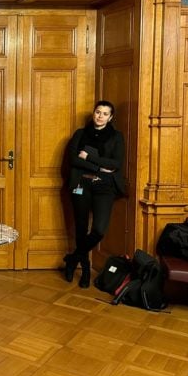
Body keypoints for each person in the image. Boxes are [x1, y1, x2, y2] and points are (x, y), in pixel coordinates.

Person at [63, 100, 126, 288]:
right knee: (81, 228)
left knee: (99, 229)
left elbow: (116, 164)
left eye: (105, 114)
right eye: (98, 112)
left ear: (111, 117)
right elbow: (74, 159)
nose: (100, 116)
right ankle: (85, 269)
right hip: (81, 184)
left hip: (104, 187)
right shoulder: (80, 134)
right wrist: (99, 166)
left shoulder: (117, 137)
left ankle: (72, 258)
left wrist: (89, 157)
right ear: (93, 113)